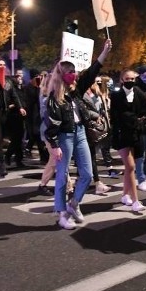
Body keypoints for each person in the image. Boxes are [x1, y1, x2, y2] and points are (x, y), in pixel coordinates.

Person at [45, 39, 112, 229]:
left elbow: (92, 72)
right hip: (64, 136)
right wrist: (54, 144)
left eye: (75, 71)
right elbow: (51, 124)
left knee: (88, 174)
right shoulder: (54, 98)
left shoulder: (77, 91)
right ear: (61, 75)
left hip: (81, 132)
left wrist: (104, 52)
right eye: (70, 72)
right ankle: (62, 214)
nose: (74, 74)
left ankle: (73, 204)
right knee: (62, 176)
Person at [109, 68, 146, 213]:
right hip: (121, 135)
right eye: (127, 78)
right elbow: (116, 116)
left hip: (135, 134)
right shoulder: (116, 95)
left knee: (128, 167)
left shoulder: (139, 94)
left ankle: (125, 195)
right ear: (122, 79)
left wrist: (139, 121)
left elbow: (144, 112)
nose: (130, 81)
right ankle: (136, 200)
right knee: (131, 166)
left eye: (132, 79)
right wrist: (132, 119)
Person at [82, 75, 111, 194]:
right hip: (88, 126)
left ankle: (80, 180)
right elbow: (83, 109)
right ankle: (97, 182)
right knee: (91, 155)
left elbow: (101, 108)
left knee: (89, 155)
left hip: (98, 126)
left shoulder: (96, 91)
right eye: (95, 80)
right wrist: (96, 116)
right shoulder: (82, 93)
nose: (97, 83)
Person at [24, 69, 49, 163]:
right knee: (37, 135)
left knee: (39, 136)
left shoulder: (40, 88)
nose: (38, 79)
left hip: (39, 115)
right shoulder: (28, 88)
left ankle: (43, 156)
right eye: (36, 77)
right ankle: (41, 155)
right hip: (32, 116)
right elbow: (30, 101)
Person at [5, 69, 28, 167]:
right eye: (18, 75)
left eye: (21, 75)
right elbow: (10, 100)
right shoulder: (11, 87)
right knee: (16, 139)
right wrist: (15, 105)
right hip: (14, 116)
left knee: (19, 139)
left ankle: (18, 159)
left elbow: (23, 99)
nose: (20, 77)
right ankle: (8, 156)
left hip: (21, 116)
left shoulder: (22, 87)